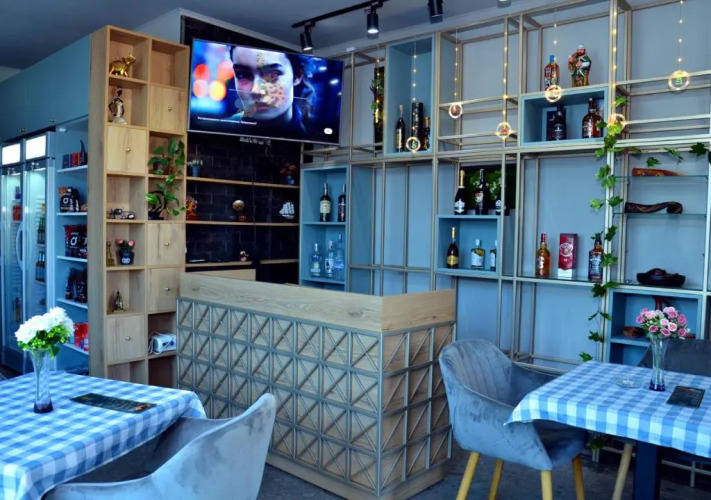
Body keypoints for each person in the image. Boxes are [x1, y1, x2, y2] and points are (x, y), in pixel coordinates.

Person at [227, 46, 314, 137]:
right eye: (242, 75)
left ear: (298, 75)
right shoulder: (221, 130)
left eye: (272, 74)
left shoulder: (312, 138)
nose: (257, 91)